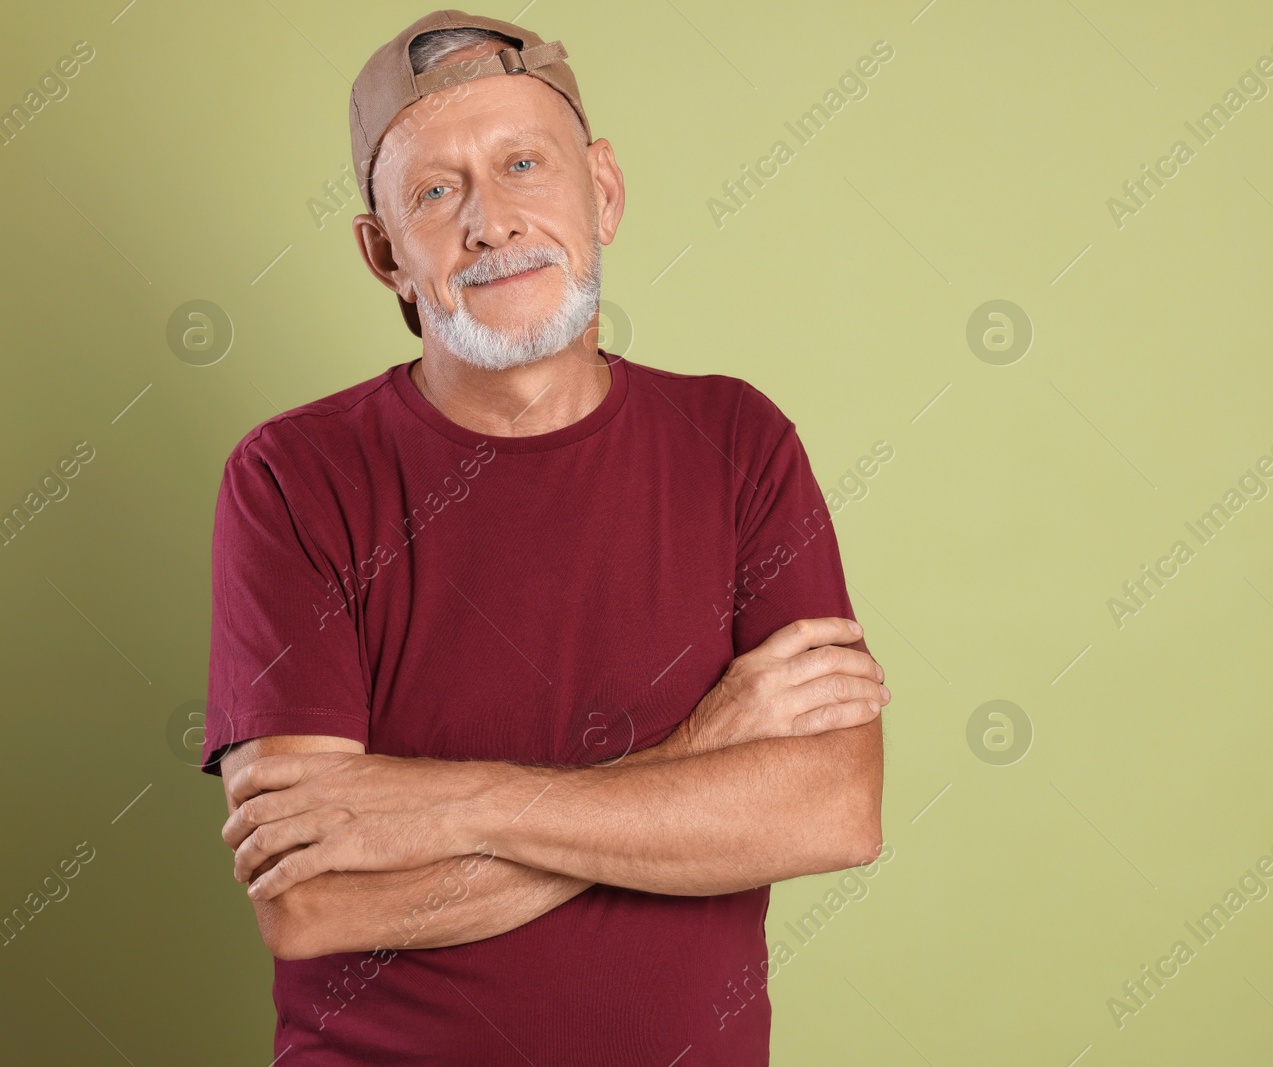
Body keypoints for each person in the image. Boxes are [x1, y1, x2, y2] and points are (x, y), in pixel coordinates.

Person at [201, 11, 889, 1065]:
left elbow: (830, 810)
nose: (491, 222)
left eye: (524, 163)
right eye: (435, 191)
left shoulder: (738, 441)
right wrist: (702, 755)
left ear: (602, 191)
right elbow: (315, 905)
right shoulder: (291, 478)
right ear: (384, 253)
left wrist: (453, 802)